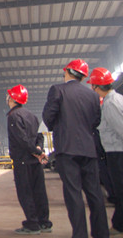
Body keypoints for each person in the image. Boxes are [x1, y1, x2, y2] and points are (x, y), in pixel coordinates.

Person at [42, 59, 109, 238]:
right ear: (83, 77)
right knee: (95, 193)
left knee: (73, 194)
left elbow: (48, 117)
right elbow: (96, 120)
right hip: (89, 149)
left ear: (67, 72)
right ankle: (101, 233)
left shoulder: (58, 90)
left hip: (67, 150)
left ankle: (80, 234)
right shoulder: (92, 95)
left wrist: (61, 126)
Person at [6, 84, 52, 235]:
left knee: (26, 193)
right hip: (35, 161)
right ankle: (44, 222)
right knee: (39, 192)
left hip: (23, 160)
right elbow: (40, 137)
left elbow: (21, 139)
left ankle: (32, 224)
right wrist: (39, 150)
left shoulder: (13, 116)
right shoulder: (32, 116)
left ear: (12, 98)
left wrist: (35, 151)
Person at [90, 67, 123, 235]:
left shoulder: (110, 104)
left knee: (120, 190)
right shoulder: (117, 99)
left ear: (96, 86)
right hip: (116, 151)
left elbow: (120, 129)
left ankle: (119, 225)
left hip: (117, 153)